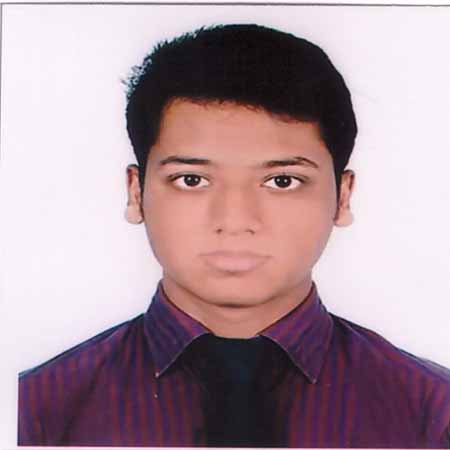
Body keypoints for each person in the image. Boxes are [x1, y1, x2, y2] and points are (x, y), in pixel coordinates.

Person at [18, 23, 450, 448]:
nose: (236, 220)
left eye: (282, 181)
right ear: (136, 193)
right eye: (191, 180)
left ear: (343, 196)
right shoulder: (34, 412)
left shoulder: (435, 413)